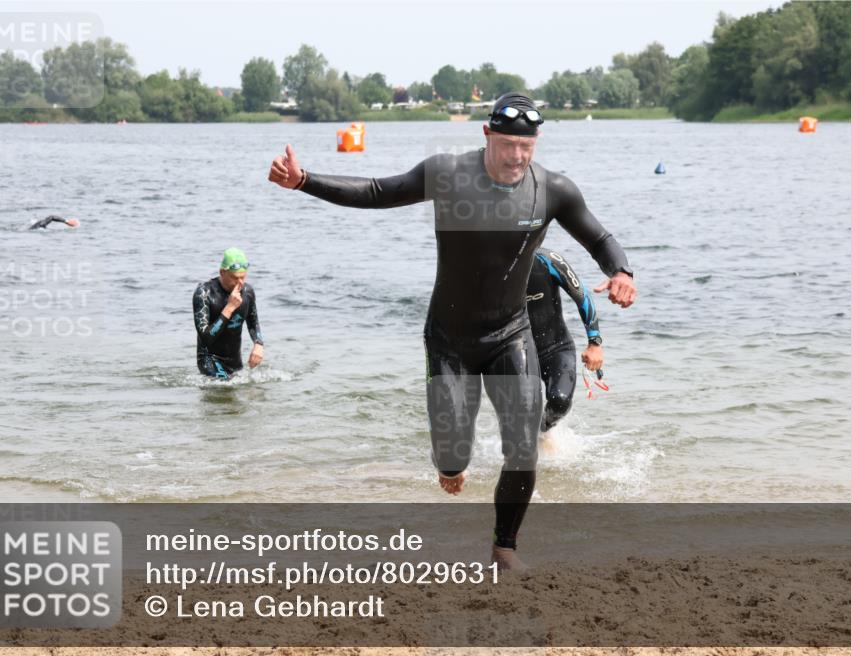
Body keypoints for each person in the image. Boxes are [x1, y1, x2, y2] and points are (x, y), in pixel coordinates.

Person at [268, 92, 636, 569]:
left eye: (526, 147)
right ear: (486, 135)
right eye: (507, 145)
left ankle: (505, 547)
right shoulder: (449, 174)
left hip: (511, 334)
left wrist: (622, 271)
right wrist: (304, 181)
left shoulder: (553, 190)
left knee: (523, 447)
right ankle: (450, 464)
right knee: (451, 456)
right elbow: (378, 192)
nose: (517, 157)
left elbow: (600, 238)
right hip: (450, 340)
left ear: (536, 142)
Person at [527, 248, 604, 454]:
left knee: (560, 401)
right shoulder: (491, 267)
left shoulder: (547, 259)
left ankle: (543, 432)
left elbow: (582, 296)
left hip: (556, 347)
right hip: (517, 354)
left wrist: (594, 342)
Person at [192, 248, 265, 379]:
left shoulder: (247, 292)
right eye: (235, 278)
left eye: (243, 277)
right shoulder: (204, 293)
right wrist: (230, 307)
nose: (240, 283)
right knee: (223, 388)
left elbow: (253, 323)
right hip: (210, 360)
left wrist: (258, 344)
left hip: (235, 361)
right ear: (222, 272)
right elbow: (206, 338)